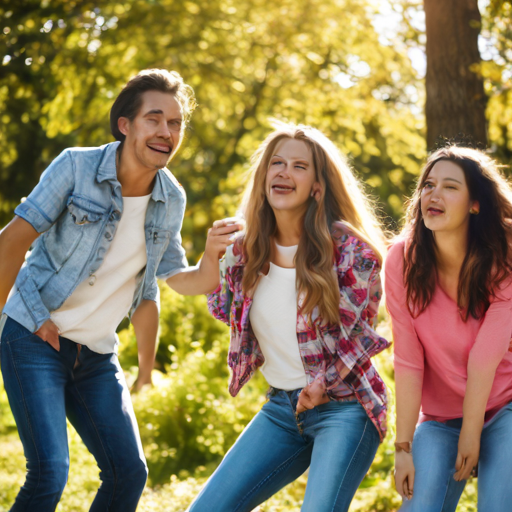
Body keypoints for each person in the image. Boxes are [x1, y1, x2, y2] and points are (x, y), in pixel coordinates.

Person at [0, 69, 239, 512]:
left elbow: (172, 282)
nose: (166, 132)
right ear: (125, 124)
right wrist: (33, 319)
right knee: (50, 473)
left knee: (129, 472)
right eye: (154, 119)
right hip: (34, 336)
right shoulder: (76, 166)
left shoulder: (172, 198)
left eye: (176, 122)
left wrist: (211, 258)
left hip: (94, 356)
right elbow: (11, 241)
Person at [188, 123, 390, 512]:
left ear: (318, 185)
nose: (283, 172)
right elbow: (221, 310)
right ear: (264, 177)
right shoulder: (246, 247)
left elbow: (363, 336)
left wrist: (323, 383)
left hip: (344, 407)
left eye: (299, 166)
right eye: (276, 163)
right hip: (283, 408)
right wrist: (212, 258)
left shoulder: (348, 250)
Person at [385, 145, 512, 511]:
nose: (433, 194)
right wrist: (403, 447)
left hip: (504, 405)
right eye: (428, 184)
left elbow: (485, 357)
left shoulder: (503, 251)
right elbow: (408, 361)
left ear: (475, 203)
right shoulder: (401, 261)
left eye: (450, 187)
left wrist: (471, 435)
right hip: (441, 419)